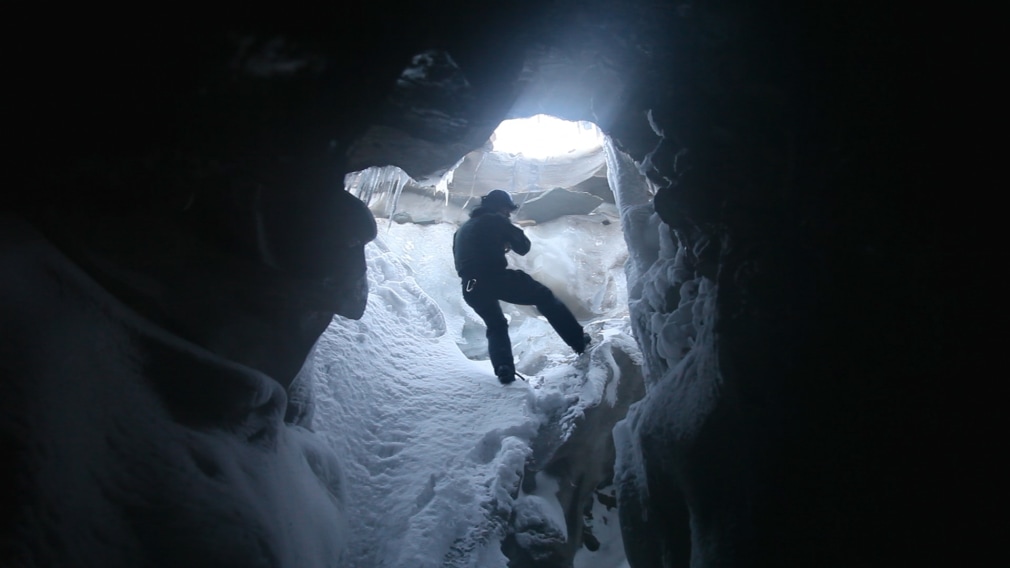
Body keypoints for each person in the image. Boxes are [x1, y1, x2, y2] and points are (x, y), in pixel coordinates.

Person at [453, 189, 591, 384]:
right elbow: (523, 247)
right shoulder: (495, 219)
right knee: (544, 297)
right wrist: (509, 233)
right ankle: (579, 342)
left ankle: (504, 368)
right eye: (507, 210)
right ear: (500, 208)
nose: (508, 214)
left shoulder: (462, 230)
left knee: (496, 324)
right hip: (495, 277)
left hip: (470, 286)